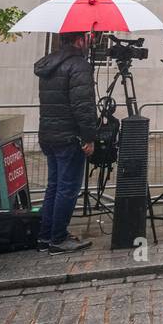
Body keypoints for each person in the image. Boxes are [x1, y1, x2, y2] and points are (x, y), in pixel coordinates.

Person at [34, 31, 98, 254]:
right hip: (69, 137)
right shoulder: (78, 66)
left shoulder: (48, 64)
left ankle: (46, 235)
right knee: (67, 189)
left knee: (54, 186)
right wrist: (89, 137)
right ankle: (58, 238)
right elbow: (83, 107)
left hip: (49, 134)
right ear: (79, 40)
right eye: (87, 39)